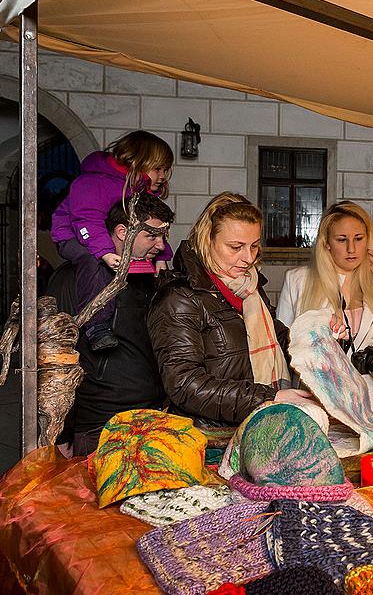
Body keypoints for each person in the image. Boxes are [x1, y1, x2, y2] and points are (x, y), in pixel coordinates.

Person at [148, 192, 295, 427]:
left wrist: (318, 341)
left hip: (257, 428)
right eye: (235, 247)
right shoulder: (179, 298)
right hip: (211, 439)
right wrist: (269, 397)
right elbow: (184, 385)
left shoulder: (251, 289)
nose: (248, 258)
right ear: (208, 239)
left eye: (254, 246)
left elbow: (279, 339)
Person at [48, 196, 175, 456]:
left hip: (153, 415)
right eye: (152, 237)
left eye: (164, 236)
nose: (161, 245)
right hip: (100, 423)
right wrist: (61, 434)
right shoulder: (73, 278)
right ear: (122, 232)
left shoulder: (148, 277)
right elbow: (57, 358)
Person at [276, 201, 373, 411]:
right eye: (342, 240)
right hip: (320, 408)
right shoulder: (298, 281)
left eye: (358, 239)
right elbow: (281, 349)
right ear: (327, 243)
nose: (351, 248)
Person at [51, 131, 174, 351]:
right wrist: (105, 253)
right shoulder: (93, 182)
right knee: (92, 262)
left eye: (165, 170)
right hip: (74, 234)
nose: (163, 176)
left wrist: (162, 256)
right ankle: (96, 325)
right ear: (137, 161)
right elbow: (86, 219)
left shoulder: (140, 190)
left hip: (104, 236)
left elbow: (154, 226)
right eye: (158, 169)